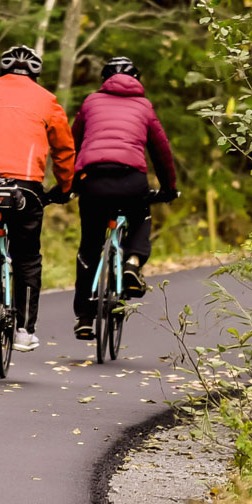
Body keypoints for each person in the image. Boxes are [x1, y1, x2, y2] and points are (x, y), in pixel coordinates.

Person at [0, 44, 76, 352]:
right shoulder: (47, 100)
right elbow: (64, 150)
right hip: (26, 187)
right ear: (35, 73)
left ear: (2, 69)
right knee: (28, 258)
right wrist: (64, 187)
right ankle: (23, 330)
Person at [70, 56, 178, 341]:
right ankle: (132, 263)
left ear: (104, 80)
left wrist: (69, 183)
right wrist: (168, 187)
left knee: (89, 248)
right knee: (141, 216)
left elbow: (72, 144)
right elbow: (161, 150)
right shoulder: (144, 106)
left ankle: (84, 318)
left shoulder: (91, 102)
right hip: (131, 180)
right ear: (137, 79)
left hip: (93, 181)